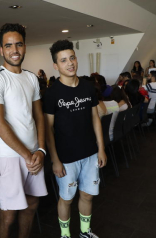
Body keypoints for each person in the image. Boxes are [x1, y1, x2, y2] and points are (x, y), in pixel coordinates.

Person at [0, 23, 47, 238]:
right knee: (8, 213)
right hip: (11, 157)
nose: (14, 50)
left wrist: (40, 150)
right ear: (1, 50)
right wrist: (28, 155)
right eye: (8, 45)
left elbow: (39, 116)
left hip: (33, 154)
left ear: (25, 47)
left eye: (18, 44)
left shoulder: (31, 78)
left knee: (31, 205)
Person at [43, 40, 106, 238]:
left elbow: (95, 117)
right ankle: (65, 235)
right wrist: (55, 159)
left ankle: (85, 232)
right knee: (66, 198)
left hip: (90, 154)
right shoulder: (52, 94)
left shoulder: (88, 88)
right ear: (56, 65)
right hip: (66, 158)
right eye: (63, 60)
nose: (70, 63)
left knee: (87, 195)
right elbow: (48, 128)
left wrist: (101, 148)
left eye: (72, 58)